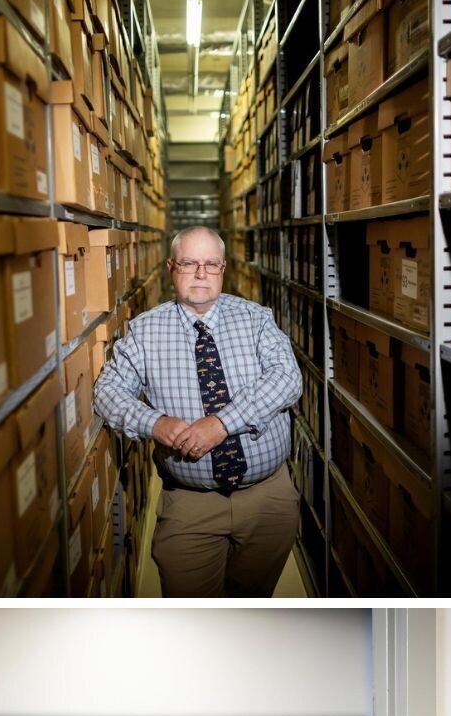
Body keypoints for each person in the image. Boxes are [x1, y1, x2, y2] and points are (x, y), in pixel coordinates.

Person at [92, 226, 304, 597]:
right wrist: (154, 422)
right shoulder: (144, 332)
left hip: (268, 499)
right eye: (190, 263)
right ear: (172, 267)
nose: (201, 274)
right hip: (190, 503)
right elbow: (106, 392)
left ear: (223, 269)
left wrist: (221, 424)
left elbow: (287, 379)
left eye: (211, 264)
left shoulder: (256, 319)